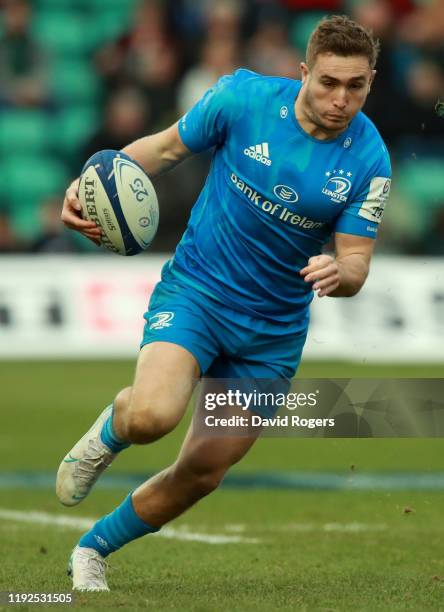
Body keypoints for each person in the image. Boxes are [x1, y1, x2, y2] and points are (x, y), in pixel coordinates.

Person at [58, 15, 391, 591]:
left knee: (204, 471)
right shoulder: (241, 99)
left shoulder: (370, 160)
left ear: (371, 81)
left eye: (356, 86)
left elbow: (357, 260)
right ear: (304, 72)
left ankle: (92, 549)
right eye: (329, 83)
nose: (341, 100)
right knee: (152, 417)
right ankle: (114, 427)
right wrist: (91, 182)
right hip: (199, 292)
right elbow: (161, 151)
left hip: (273, 330)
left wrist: (344, 271)